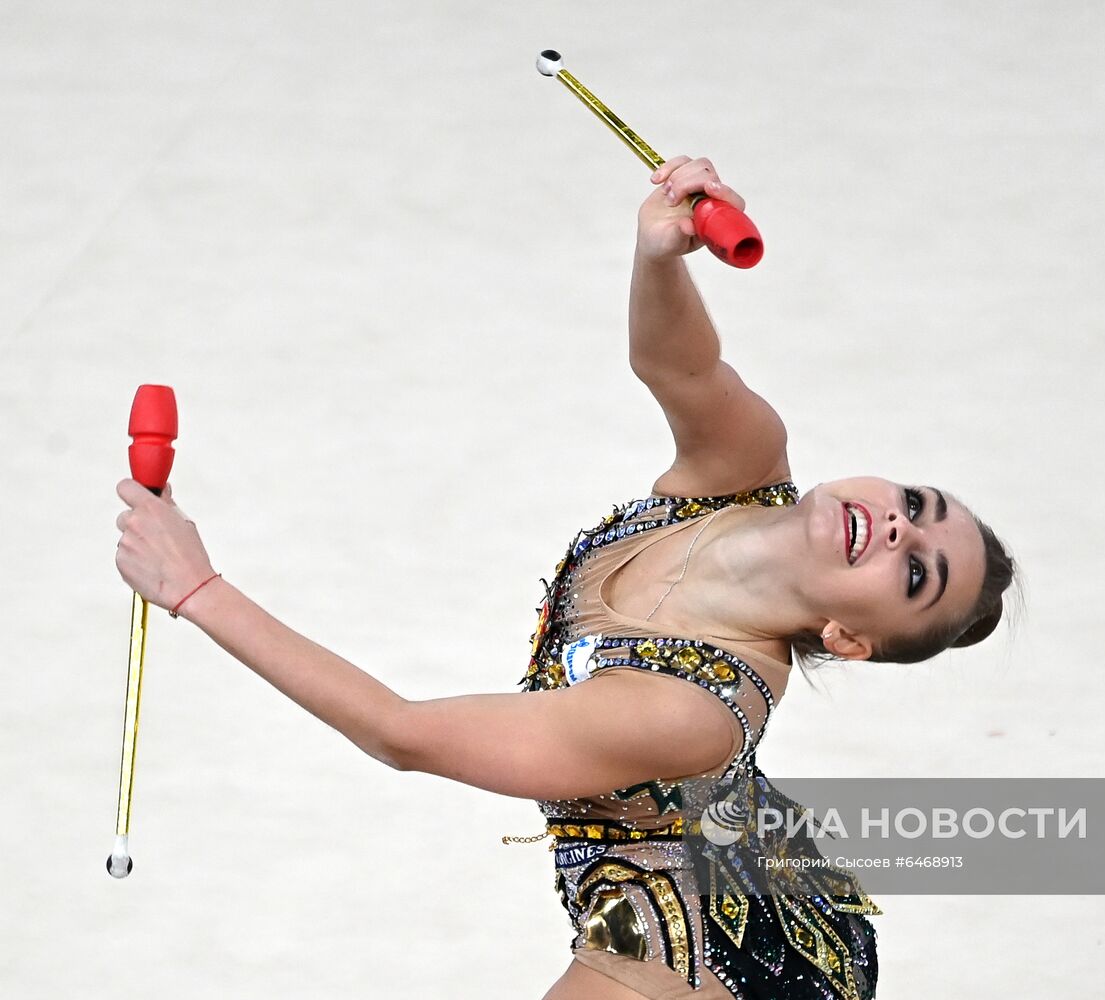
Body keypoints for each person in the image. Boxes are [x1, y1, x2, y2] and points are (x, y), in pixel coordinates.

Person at [115, 155, 1016, 1000]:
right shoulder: (744, 465)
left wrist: (198, 591)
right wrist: (661, 255)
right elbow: (675, 362)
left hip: (696, 936)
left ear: (847, 642)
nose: (900, 526)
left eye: (915, 574)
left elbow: (404, 733)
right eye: (916, 502)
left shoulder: (688, 709)